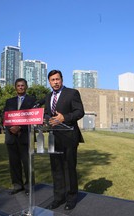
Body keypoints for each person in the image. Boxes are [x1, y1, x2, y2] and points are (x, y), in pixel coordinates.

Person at [44, 70, 85, 210]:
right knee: (56, 169)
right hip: (53, 138)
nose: (55, 82)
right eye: (52, 80)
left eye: (57, 79)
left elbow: (80, 112)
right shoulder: (48, 96)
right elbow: (46, 114)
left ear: (62, 79)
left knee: (69, 169)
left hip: (69, 137)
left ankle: (71, 198)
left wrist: (64, 117)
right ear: (49, 82)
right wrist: (46, 120)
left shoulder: (72, 93)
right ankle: (58, 198)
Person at [3, 78, 36, 196]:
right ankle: (17, 185)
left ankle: (29, 186)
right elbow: (5, 117)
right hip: (11, 137)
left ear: (26, 87)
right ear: (15, 87)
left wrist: (20, 127)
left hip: (25, 136)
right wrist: (11, 128)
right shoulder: (9, 101)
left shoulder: (32, 101)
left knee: (27, 163)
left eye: (22, 85)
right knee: (14, 163)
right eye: (18, 85)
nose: (20, 87)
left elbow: (33, 117)